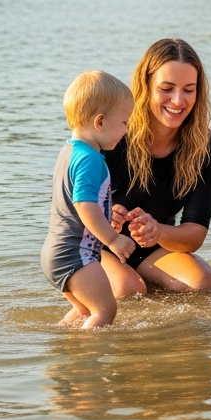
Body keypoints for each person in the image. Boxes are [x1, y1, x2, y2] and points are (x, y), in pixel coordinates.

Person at [102, 38, 211, 297]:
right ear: (145, 87)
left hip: (151, 250)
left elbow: (195, 234)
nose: (178, 101)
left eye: (188, 90)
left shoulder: (207, 146)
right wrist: (104, 216)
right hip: (97, 245)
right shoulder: (112, 136)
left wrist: (157, 231)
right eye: (167, 88)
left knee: (205, 283)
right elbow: (71, 209)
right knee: (128, 289)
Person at [40, 70, 137, 329]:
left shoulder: (70, 151)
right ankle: (89, 352)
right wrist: (113, 239)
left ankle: (64, 341)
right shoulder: (90, 159)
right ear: (100, 122)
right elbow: (83, 204)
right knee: (105, 310)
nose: (126, 130)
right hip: (75, 253)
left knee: (84, 310)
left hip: (56, 252)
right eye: (124, 122)